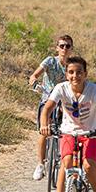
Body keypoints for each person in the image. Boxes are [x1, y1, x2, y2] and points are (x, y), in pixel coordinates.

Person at [42, 56, 96, 192]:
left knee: (88, 165)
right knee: (65, 163)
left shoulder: (94, 89)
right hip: (68, 132)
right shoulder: (61, 88)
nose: (75, 76)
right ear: (66, 74)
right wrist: (44, 124)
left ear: (85, 74)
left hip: (91, 133)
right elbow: (47, 109)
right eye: (71, 72)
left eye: (79, 72)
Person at [28, 34, 73, 181]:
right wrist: (34, 82)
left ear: (71, 49)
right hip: (48, 99)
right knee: (44, 131)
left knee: (69, 130)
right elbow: (34, 75)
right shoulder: (50, 61)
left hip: (64, 101)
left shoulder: (72, 65)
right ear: (57, 48)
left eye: (67, 46)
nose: (64, 49)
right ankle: (40, 164)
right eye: (62, 46)